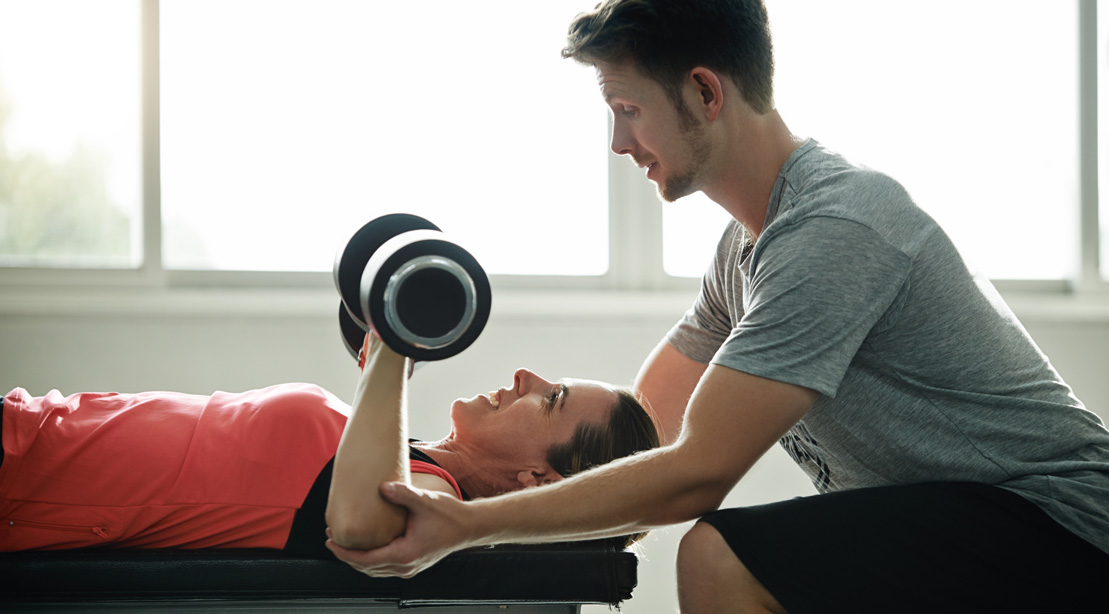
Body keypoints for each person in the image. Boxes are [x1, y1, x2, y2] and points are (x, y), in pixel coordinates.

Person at [324, 1, 1109, 612]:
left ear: (703, 92)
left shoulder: (834, 230)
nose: (617, 143)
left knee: (717, 554)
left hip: (1065, 528)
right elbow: (640, 440)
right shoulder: (745, 253)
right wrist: (466, 481)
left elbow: (693, 477)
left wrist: (470, 526)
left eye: (627, 109)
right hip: (977, 526)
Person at [0, 333, 659, 556]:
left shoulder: (436, 498)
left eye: (550, 400)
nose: (525, 377)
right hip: (29, 424)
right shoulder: (406, 454)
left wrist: (397, 349)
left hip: (21, 481)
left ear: (537, 484)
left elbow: (358, 522)